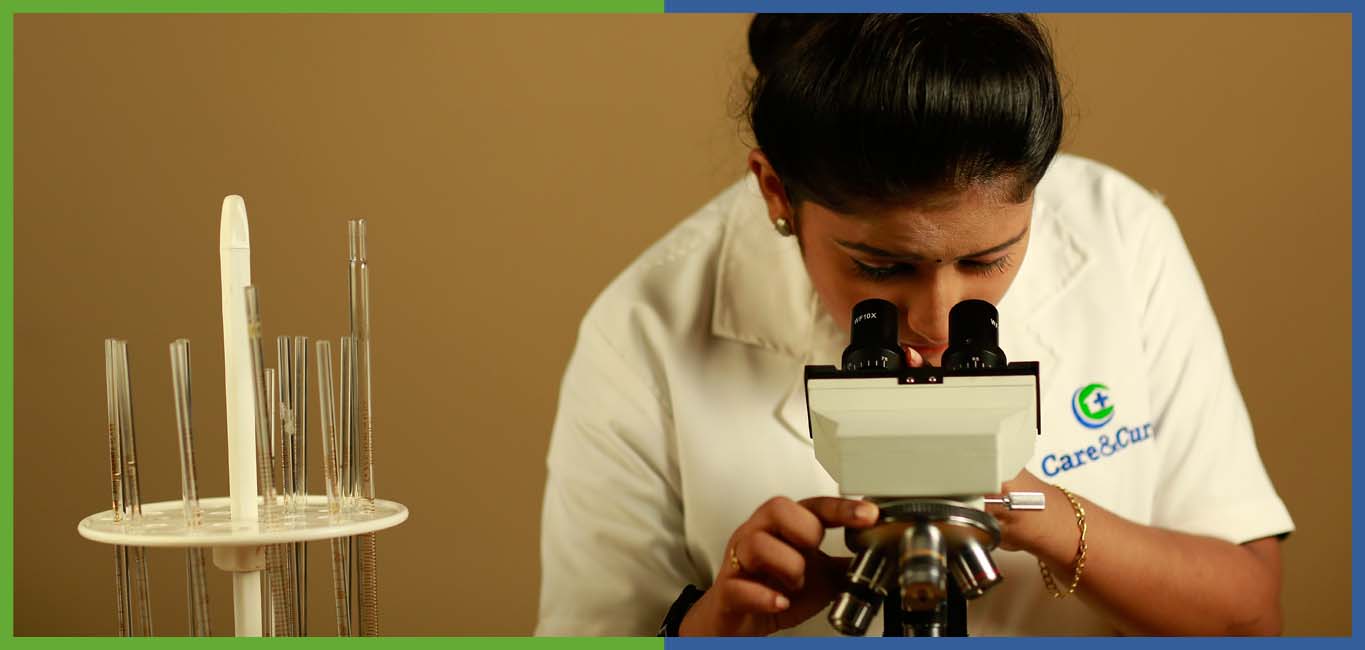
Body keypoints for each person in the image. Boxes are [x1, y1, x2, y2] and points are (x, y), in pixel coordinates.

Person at [535, 14, 1293, 636]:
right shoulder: (643, 327)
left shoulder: (1118, 236)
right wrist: (713, 625)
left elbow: (1247, 615)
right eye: (880, 268)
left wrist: (1031, 510)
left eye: (989, 260)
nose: (934, 324)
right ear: (774, 189)